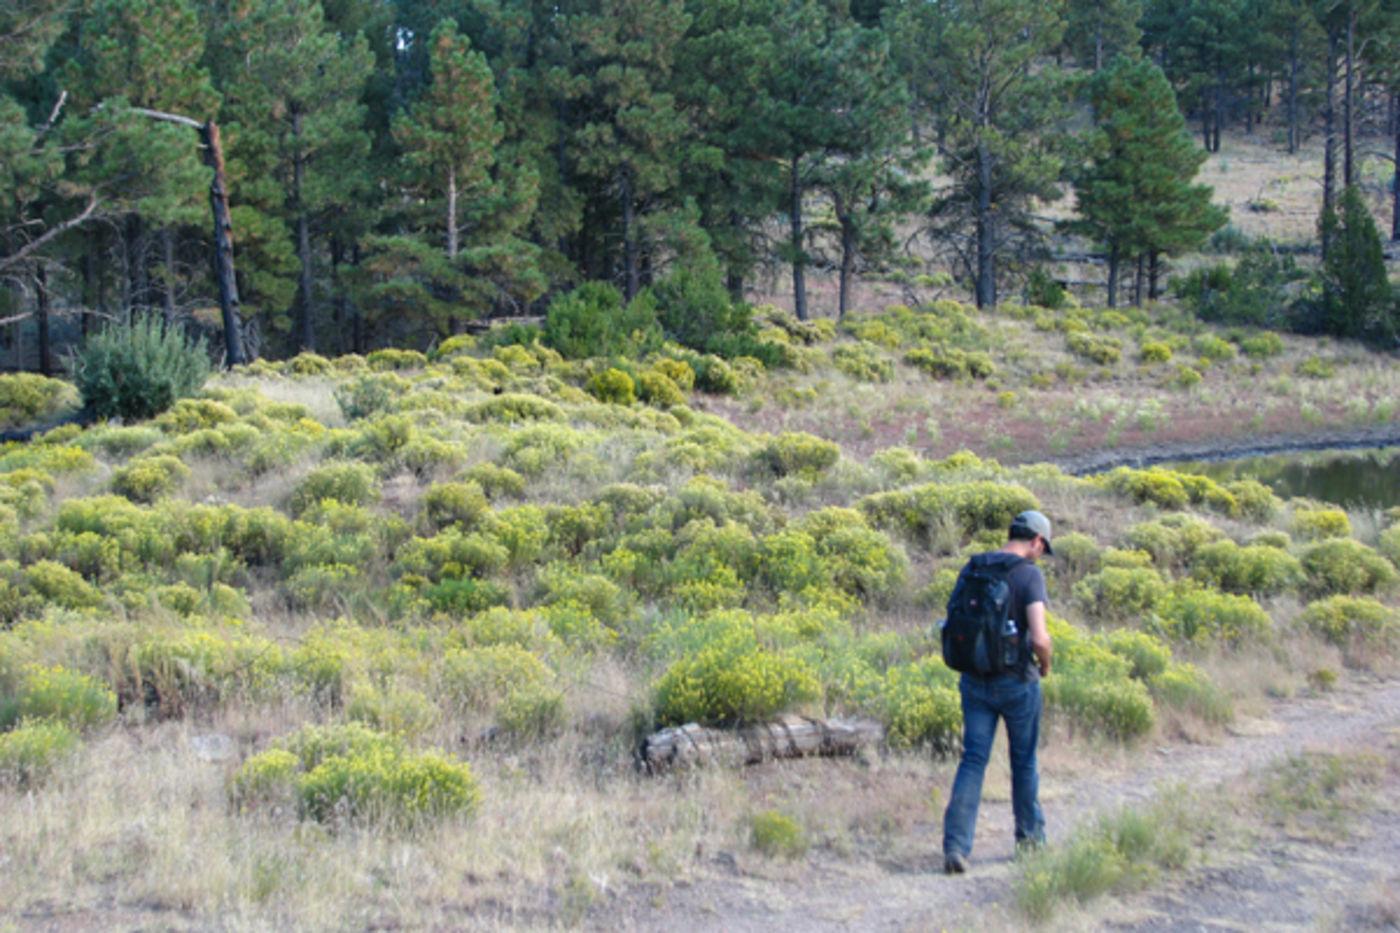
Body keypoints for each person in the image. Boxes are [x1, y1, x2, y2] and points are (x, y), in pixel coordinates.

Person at [942, 509, 1055, 874]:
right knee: (1023, 762)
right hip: (1017, 681)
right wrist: (1046, 664)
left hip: (974, 679)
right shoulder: (1028, 575)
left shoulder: (975, 566)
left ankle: (956, 847)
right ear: (1036, 540)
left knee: (973, 760)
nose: (1042, 554)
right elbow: (1039, 636)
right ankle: (1030, 842)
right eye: (1043, 547)